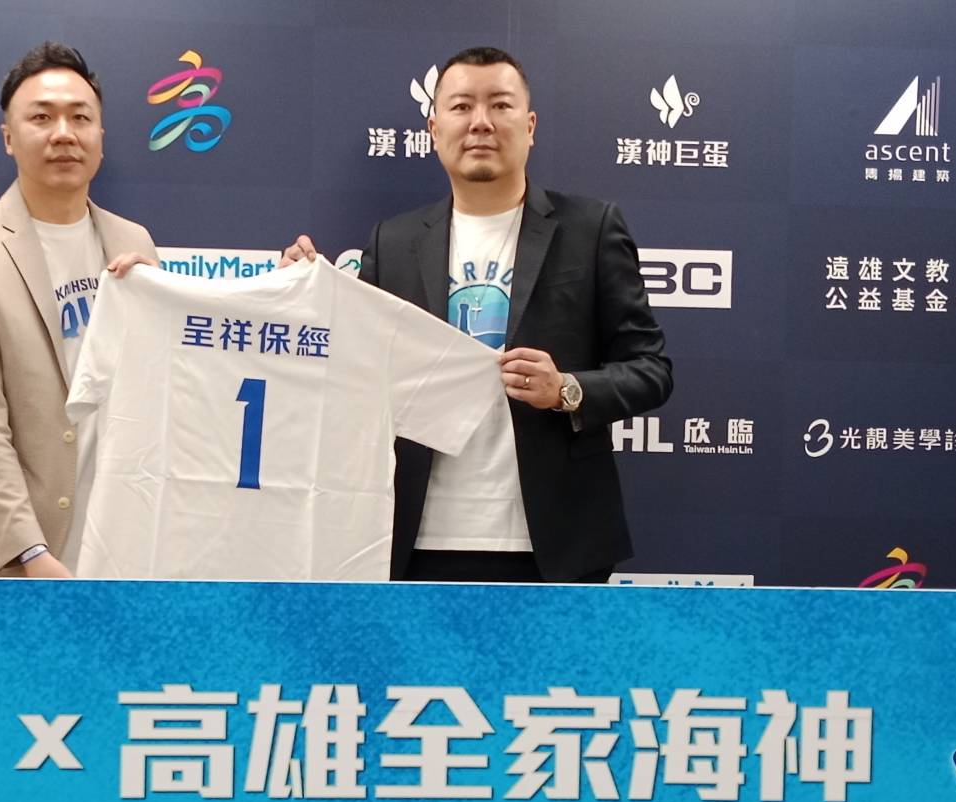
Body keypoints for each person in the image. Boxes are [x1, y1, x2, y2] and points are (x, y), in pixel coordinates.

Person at [284, 46, 672, 583]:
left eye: (501, 105)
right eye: (462, 106)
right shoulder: (392, 241)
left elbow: (651, 369)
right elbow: (349, 373)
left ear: (529, 126)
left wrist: (565, 389)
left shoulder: (592, 229)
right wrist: (302, 297)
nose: (481, 123)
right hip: (410, 539)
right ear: (434, 128)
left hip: (557, 543)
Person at [0, 42, 156, 578]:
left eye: (80, 117)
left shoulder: (134, 241)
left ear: (100, 137)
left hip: (114, 543)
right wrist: (30, 551)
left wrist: (288, 287)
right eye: (42, 117)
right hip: (7, 557)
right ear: (8, 137)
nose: (64, 133)